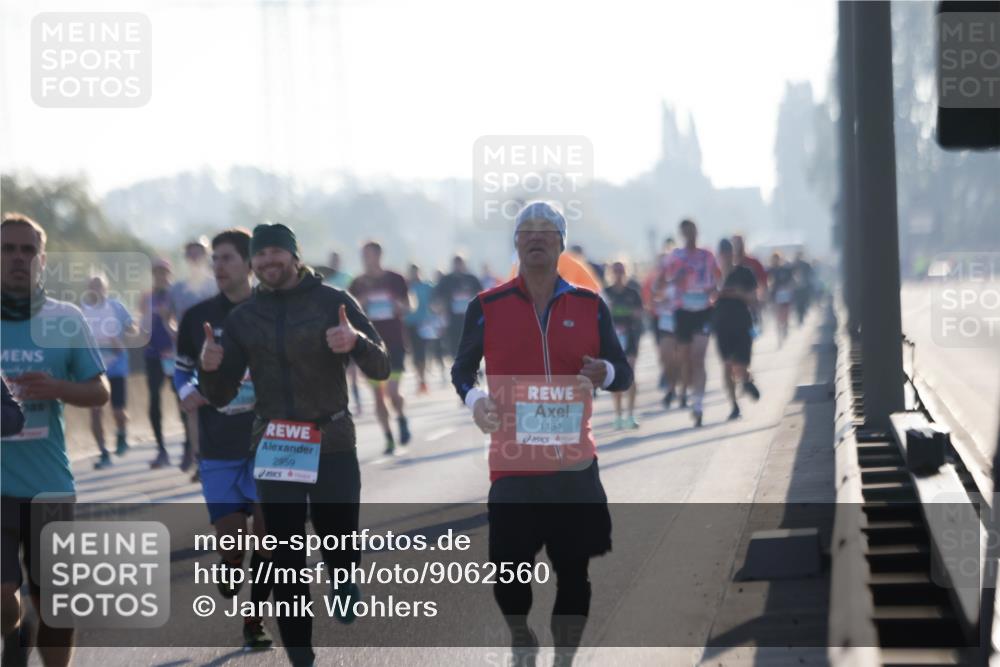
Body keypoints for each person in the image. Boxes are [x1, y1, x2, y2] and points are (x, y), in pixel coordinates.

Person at [199, 223, 389, 667]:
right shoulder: (244, 318)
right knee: (285, 557)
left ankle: (343, 575)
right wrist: (211, 368)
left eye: (274, 254)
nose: (267, 263)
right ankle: (301, 657)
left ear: (294, 256)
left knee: (339, 538)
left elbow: (381, 365)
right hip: (277, 443)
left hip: (333, 439)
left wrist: (354, 342)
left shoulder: (334, 302)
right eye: (259, 256)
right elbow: (222, 395)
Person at [451, 201, 632, 666]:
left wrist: (603, 371)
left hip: (574, 464)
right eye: (526, 231)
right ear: (515, 242)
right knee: (508, 573)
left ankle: (565, 658)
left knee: (574, 572)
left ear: (560, 243)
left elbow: (624, 372)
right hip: (513, 464)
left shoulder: (590, 305)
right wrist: (476, 401)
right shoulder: (486, 306)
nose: (535, 237)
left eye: (546, 230)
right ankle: (519, 633)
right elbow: (462, 371)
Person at [1, 213, 110, 667]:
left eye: (28, 250)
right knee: (2, 596)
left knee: (57, 608)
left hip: (49, 484)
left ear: (42, 259)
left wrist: (56, 387)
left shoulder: (66, 320)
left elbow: (100, 391)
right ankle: (14, 629)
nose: (18, 258)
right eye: (8, 249)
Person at [173, 228, 273, 651]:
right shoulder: (197, 317)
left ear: (249, 264)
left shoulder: (272, 310)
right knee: (233, 542)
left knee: (268, 541)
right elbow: (180, 370)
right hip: (218, 445)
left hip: (270, 442)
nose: (218, 265)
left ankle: (255, 619)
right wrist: (185, 390)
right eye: (215, 258)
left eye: (228, 258)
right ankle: (230, 564)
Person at [349, 241, 412, 454]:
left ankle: (401, 418)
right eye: (363, 255)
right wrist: (361, 302)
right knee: (378, 395)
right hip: (369, 345)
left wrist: (398, 306)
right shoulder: (357, 283)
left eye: (369, 255)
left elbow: (408, 305)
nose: (366, 259)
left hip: (394, 343)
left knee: (393, 392)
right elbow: (348, 310)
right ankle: (388, 437)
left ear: (379, 255)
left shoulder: (395, 279)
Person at [661, 219, 719, 427]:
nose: (690, 236)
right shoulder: (675, 257)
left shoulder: (708, 255)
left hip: (703, 310)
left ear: (697, 231)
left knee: (699, 356)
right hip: (682, 311)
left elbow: (718, 279)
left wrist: (715, 291)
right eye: (686, 233)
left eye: (693, 232)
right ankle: (685, 390)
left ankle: (698, 403)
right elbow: (661, 281)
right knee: (685, 357)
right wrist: (674, 280)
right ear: (682, 234)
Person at [170, 238, 219, 475]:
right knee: (192, 406)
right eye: (190, 255)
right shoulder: (177, 288)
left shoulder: (215, 284)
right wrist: (174, 333)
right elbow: (167, 317)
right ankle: (200, 458)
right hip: (189, 354)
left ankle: (215, 454)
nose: (194, 259)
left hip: (216, 353)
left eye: (198, 254)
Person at [80, 274, 137, 468]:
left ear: (106, 288)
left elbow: (133, 329)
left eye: (100, 286)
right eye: (92, 286)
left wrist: (120, 340)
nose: (96, 290)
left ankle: (122, 434)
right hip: (93, 367)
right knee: (95, 412)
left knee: (118, 411)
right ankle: (103, 452)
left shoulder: (116, 307)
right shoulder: (82, 310)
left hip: (117, 365)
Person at [140, 258, 183, 468]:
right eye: (157, 272)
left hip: (174, 354)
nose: (161, 276)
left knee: (181, 397)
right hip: (153, 355)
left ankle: (189, 448)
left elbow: (181, 321)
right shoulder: (146, 297)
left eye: (164, 272)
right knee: (154, 400)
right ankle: (161, 450)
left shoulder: (176, 294)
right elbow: (142, 325)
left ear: (170, 273)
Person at [713, 239, 761, 421]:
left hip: (742, 324)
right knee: (726, 366)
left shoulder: (745, 273)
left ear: (733, 254)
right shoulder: (715, 275)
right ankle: (734, 405)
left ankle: (746, 380)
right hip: (721, 325)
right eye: (722, 253)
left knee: (740, 366)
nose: (725, 256)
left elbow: (753, 299)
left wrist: (737, 293)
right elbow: (707, 296)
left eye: (728, 252)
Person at [604, 261, 644, 429]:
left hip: (630, 336)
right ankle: (618, 415)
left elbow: (639, 313)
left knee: (630, 373)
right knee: (615, 376)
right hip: (612, 339)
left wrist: (622, 312)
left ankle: (631, 413)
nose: (619, 275)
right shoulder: (606, 293)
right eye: (616, 271)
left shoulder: (633, 293)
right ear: (611, 273)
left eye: (622, 271)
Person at [322, 251, 361, 414]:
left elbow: (356, 297)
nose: (334, 263)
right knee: (337, 370)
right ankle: (340, 403)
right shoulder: (323, 278)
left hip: (348, 324)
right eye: (332, 260)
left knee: (352, 371)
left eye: (337, 260)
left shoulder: (347, 277)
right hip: (330, 326)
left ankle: (357, 401)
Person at [433, 255, 482, 357]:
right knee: (454, 345)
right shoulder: (446, 280)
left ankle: (470, 367)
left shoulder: (472, 279)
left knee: (470, 345)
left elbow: (482, 295)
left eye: (460, 263)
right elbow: (438, 297)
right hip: (452, 319)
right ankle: (457, 366)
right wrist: (440, 311)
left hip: (470, 318)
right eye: (456, 263)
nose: (458, 266)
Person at [404, 264, 437, 394]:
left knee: (423, 351)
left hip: (425, 323)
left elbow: (435, 298)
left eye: (415, 272)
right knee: (414, 352)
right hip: (409, 323)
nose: (414, 274)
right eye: (411, 272)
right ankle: (420, 378)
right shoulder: (406, 286)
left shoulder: (427, 286)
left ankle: (423, 378)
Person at [768, 252, 795, 346]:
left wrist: (788, 288)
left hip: (785, 294)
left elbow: (791, 280)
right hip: (775, 295)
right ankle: (779, 335)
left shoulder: (785, 269)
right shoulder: (770, 270)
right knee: (777, 316)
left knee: (785, 313)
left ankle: (786, 327)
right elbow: (767, 281)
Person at [791, 250, 814, 326]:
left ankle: (802, 314)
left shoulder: (806, 264)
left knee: (803, 301)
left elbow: (810, 274)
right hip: (796, 287)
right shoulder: (793, 265)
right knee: (798, 303)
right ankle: (799, 317)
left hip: (804, 286)